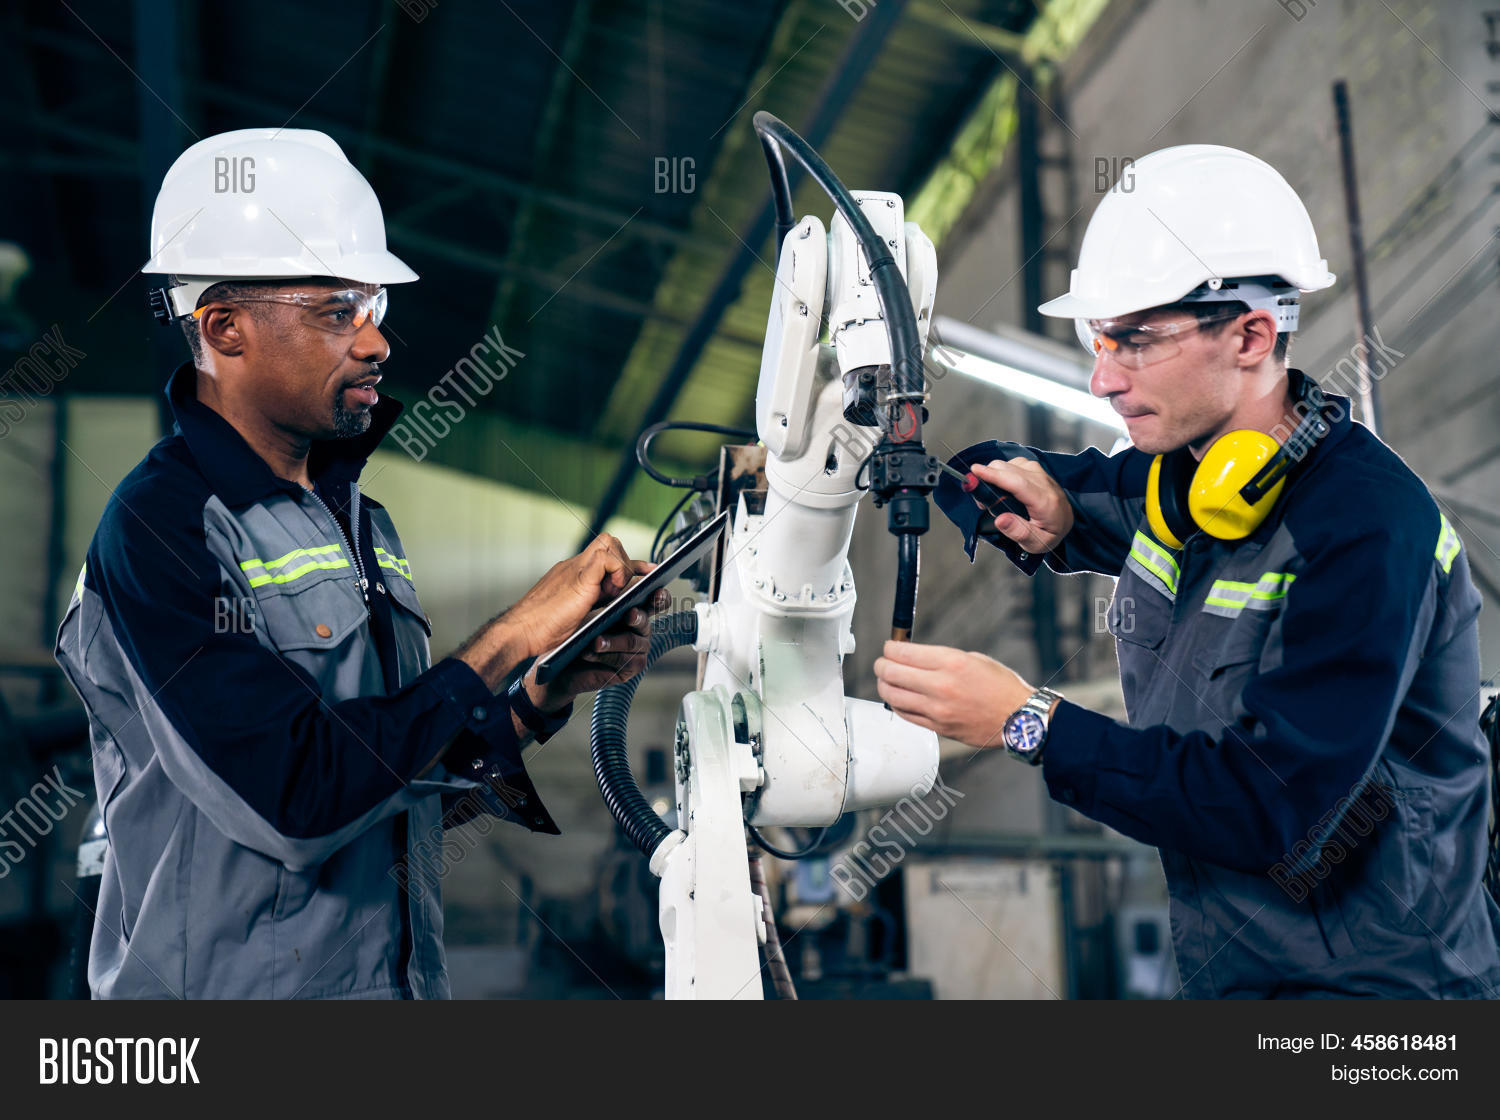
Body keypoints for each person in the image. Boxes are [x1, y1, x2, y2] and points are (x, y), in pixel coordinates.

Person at [874, 144, 1500, 998]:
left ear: (1250, 335)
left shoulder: (1364, 528)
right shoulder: (1182, 481)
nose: (1101, 378)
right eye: (1098, 341)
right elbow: (1061, 487)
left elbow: (1268, 808)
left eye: (1134, 342)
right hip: (1227, 976)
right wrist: (1026, 504)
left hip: (1387, 999)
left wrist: (1026, 722)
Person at [55, 129, 660, 999]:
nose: (376, 344)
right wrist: (512, 632)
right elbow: (296, 800)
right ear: (225, 329)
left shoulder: (359, 525)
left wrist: (535, 694)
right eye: (337, 311)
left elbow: (386, 797)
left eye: (374, 307)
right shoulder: (161, 530)